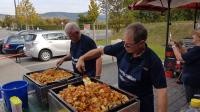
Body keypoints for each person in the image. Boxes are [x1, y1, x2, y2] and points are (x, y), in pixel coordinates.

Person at [76, 23, 167, 112]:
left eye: (128, 45)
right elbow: (100, 51)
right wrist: (82, 58)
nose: (124, 46)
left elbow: (162, 91)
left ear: (141, 43)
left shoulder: (153, 61)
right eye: (124, 42)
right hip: (122, 101)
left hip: (142, 106)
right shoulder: (122, 47)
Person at [169, 30, 200, 103]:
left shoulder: (197, 50)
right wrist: (178, 46)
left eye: (194, 35)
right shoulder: (196, 49)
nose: (192, 36)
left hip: (193, 82)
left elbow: (180, 58)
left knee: (192, 103)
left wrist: (173, 46)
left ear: (199, 38)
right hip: (194, 81)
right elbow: (186, 52)